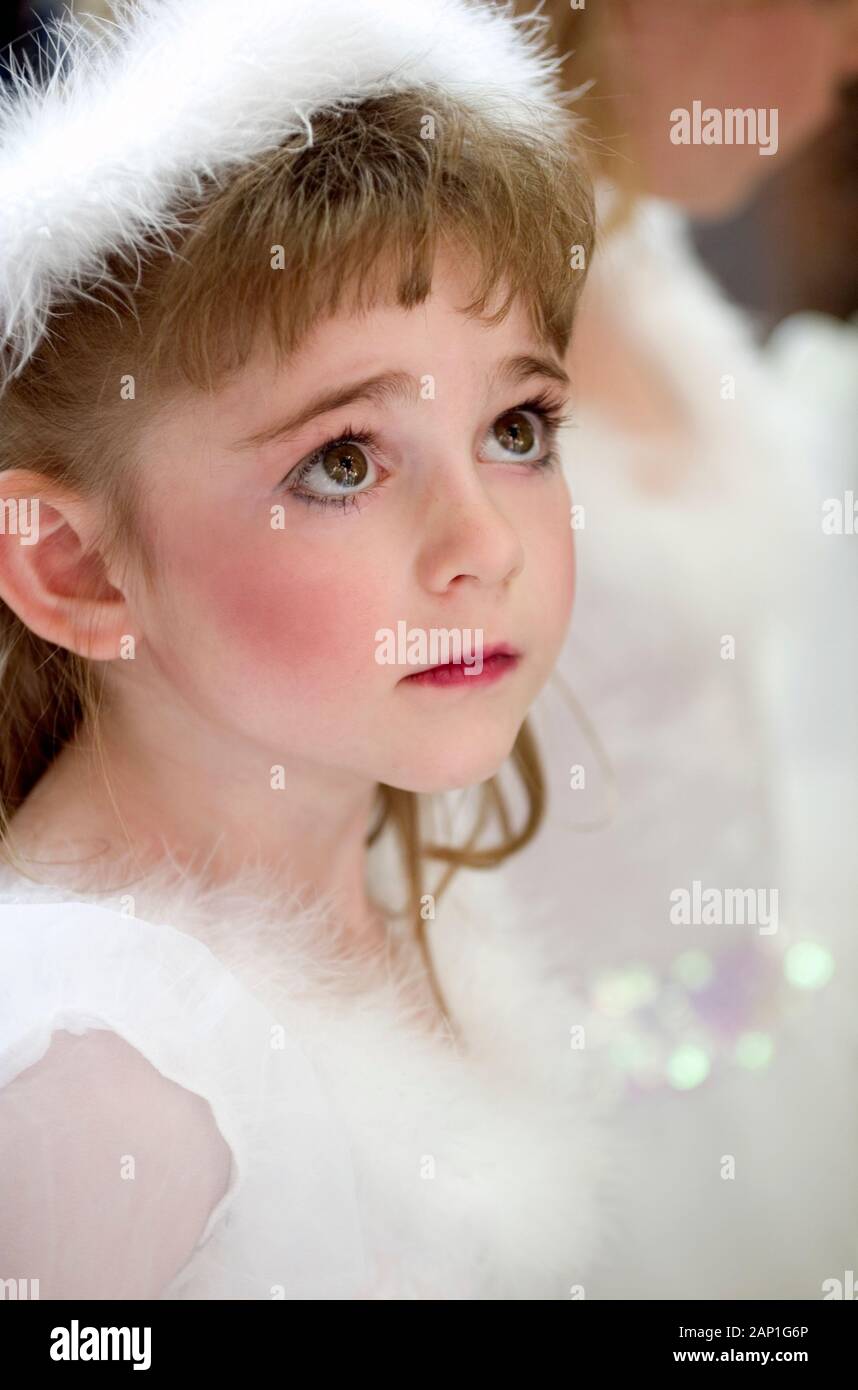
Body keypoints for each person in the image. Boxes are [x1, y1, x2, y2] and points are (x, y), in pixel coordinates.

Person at [0, 0, 621, 1300]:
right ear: (73, 565)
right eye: (343, 460)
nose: (483, 547)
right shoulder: (95, 1078)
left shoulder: (391, 877)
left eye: (517, 427)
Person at [490, 0, 858, 1298]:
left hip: (763, 1014)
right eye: (829, 11)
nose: (848, 56)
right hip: (573, 1139)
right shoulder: (443, 285)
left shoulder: (633, 233)